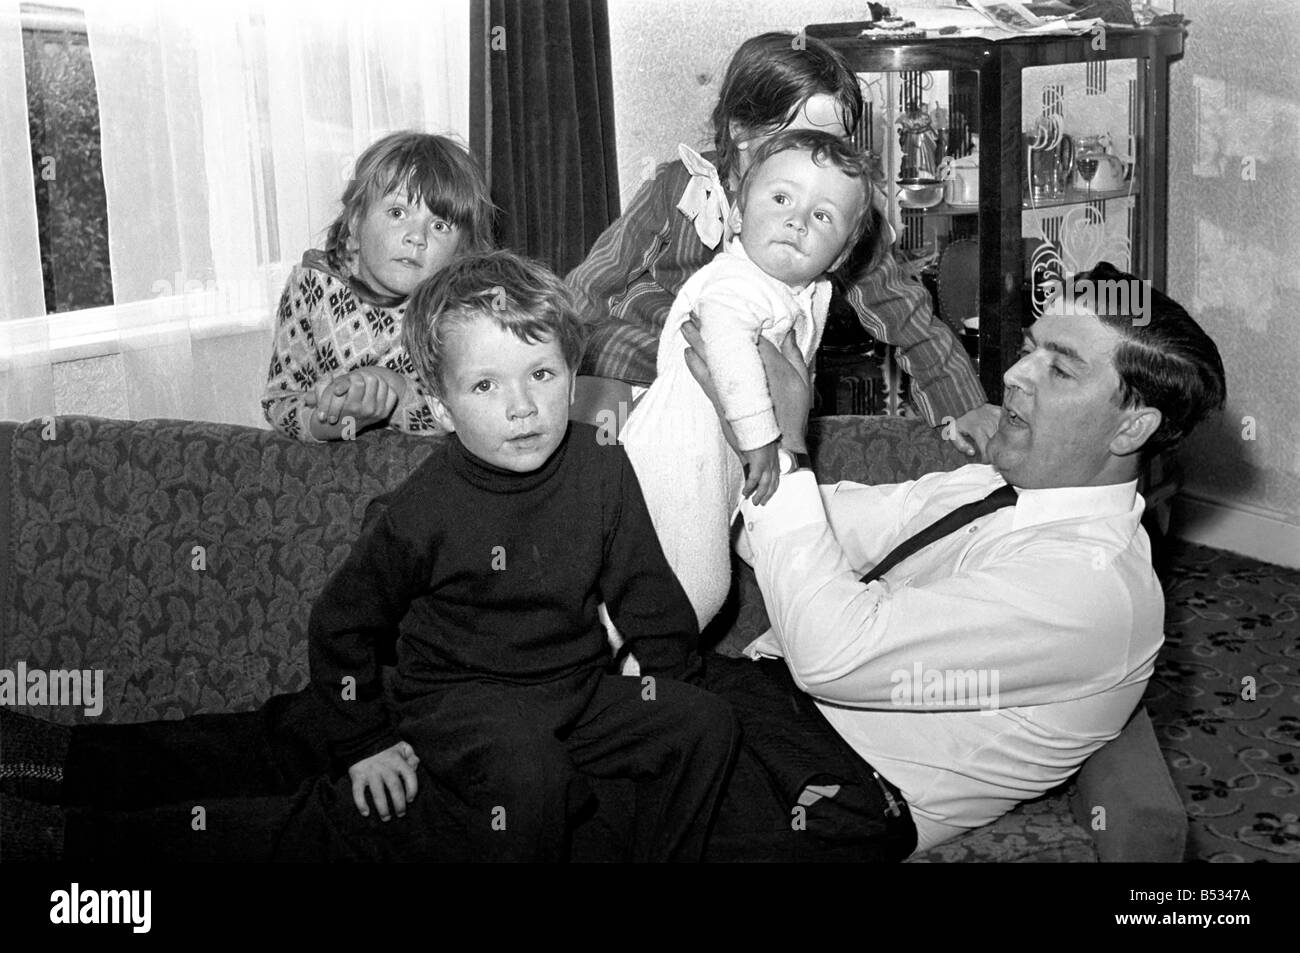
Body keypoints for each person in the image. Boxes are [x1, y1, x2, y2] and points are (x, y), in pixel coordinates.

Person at [2, 251, 737, 863]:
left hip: (570, 691)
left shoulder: (601, 467)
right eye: (486, 384)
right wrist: (368, 742)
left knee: (704, 722)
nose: (523, 406)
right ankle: (57, 792)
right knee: (528, 776)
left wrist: (671, 688)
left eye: (541, 375)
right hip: (458, 704)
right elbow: (340, 625)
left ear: (572, 376)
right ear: (442, 406)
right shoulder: (423, 507)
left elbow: (648, 596)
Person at [688, 262, 1227, 860]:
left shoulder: (1092, 590)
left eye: (1061, 367)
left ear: (1131, 428)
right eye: (1029, 349)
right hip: (755, 700)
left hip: (830, 787)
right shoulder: (994, 484)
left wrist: (783, 450)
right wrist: (732, 421)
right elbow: (817, 524)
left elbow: (831, 658)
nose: (1016, 374)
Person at [567, 31, 1000, 456]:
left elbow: (911, 321)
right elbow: (589, 287)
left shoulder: (834, 215)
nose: (816, 160)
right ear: (741, 131)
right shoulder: (679, 188)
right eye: (796, 139)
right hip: (647, 375)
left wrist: (966, 409)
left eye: (833, 144)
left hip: (765, 398)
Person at [621, 129, 874, 631]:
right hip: (673, 456)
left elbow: (794, 374)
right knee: (697, 588)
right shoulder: (736, 281)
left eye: (822, 216)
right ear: (736, 215)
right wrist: (761, 439)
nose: (797, 220)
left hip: (713, 461)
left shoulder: (802, 293)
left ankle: (628, 671)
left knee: (664, 587)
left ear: (842, 254)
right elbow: (729, 350)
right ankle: (610, 661)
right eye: (781, 198)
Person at [261, 131, 494, 442]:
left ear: (461, 250)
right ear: (356, 221)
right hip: (331, 476)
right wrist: (336, 423)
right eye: (397, 213)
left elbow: (477, 415)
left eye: (440, 225)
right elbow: (280, 401)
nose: (417, 237)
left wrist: (397, 393)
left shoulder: (461, 309)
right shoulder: (313, 283)